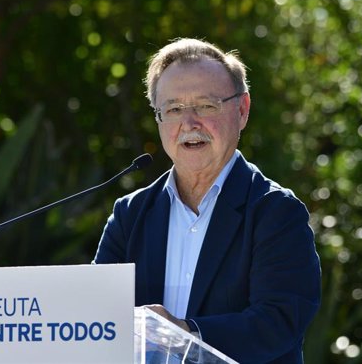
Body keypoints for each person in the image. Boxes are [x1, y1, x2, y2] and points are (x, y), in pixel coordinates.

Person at [93, 38, 321, 363]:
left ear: (242, 110)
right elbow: (94, 318)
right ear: (158, 119)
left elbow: (278, 322)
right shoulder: (130, 216)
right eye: (173, 109)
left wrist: (186, 332)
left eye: (206, 106)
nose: (189, 123)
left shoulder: (277, 212)